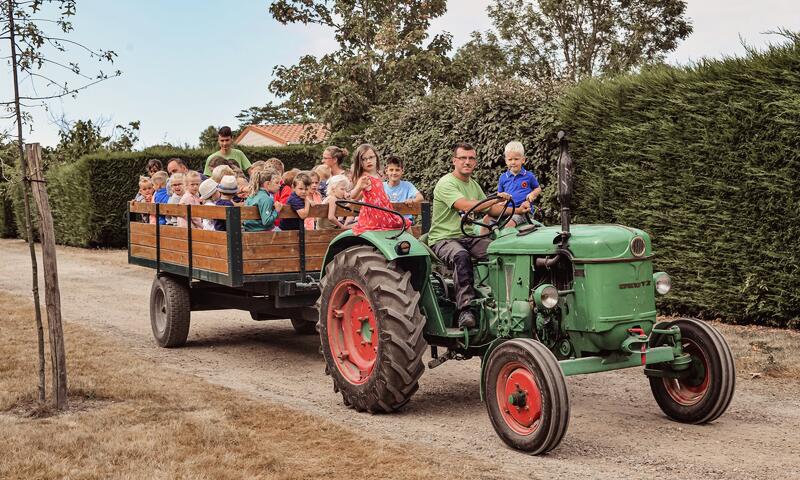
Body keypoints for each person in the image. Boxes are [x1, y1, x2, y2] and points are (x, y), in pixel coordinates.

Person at [427, 143, 525, 329]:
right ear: (454, 161)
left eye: (471, 158)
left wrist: (518, 209)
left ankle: (505, 303)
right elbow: (466, 205)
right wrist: (496, 197)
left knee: (498, 251)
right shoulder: (446, 183)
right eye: (463, 158)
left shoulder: (473, 184)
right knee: (460, 255)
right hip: (443, 239)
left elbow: (492, 209)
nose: (467, 161)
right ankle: (465, 310)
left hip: (468, 237)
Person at [349, 144, 410, 235]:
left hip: (383, 211)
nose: (368, 161)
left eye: (371, 157)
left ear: (376, 158)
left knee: (403, 222)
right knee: (405, 223)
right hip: (376, 214)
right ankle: (414, 246)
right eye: (364, 159)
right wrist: (358, 188)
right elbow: (353, 195)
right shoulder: (365, 178)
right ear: (359, 162)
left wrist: (352, 202)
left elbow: (363, 194)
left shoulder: (376, 176)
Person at [494, 141, 541, 227]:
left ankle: (507, 239)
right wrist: (501, 200)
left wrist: (532, 194)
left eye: (516, 159)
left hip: (523, 211)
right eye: (510, 159)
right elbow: (499, 194)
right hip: (506, 210)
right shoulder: (503, 178)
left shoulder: (529, 176)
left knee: (509, 224)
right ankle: (485, 239)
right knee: (487, 219)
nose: (513, 162)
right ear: (506, 161)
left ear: (523, 160)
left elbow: (538, 188)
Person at [383, 155, 424, 221]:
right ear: (386, 171)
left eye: (397, 170)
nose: (394, 173)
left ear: (402, 171)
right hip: (387, 221)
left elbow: (420, 197)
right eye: (391, 170)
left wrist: (412, 201)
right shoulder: (381, 186)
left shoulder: (407, 186)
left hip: (405, 222)